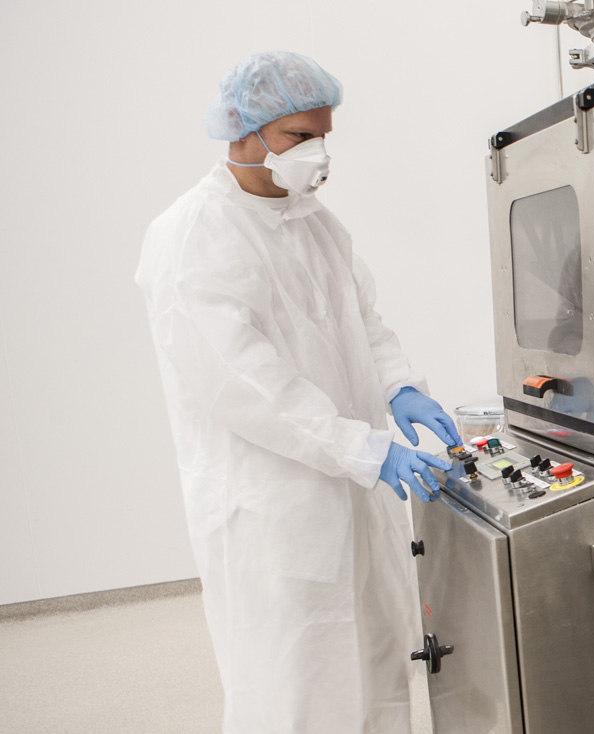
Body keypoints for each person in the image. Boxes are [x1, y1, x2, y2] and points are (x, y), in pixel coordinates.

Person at [135, 51, 461, 733]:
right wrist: (363, 448)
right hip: (271, 506)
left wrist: (400, 385)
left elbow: (363, 322)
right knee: (295, 681)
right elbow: (245, 383)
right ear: (244, 128)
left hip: (349, 484)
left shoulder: (315, 221)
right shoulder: (193, 236)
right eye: (299, 136)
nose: (318, 153)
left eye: (323, 135)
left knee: (374, 661)